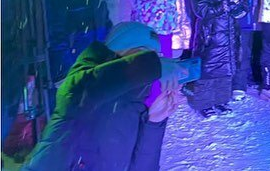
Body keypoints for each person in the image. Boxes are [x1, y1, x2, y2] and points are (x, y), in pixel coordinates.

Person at [22, 22, 185, 171]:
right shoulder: (79, 84)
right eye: (143, 52)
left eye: (155, 55)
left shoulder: (136, 106)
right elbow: (92, 90)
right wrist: (152, 65)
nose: (149, 59)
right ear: (119, 50)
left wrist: (154, 123)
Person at [187, 0, 246, 118]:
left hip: (229, 37)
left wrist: (240, 9)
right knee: (208, 72)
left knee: (226, 71)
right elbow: (201, 10)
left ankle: (221, 100)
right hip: (211, 37)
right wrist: (223, 7)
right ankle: (205, 103)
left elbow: (242, 3)